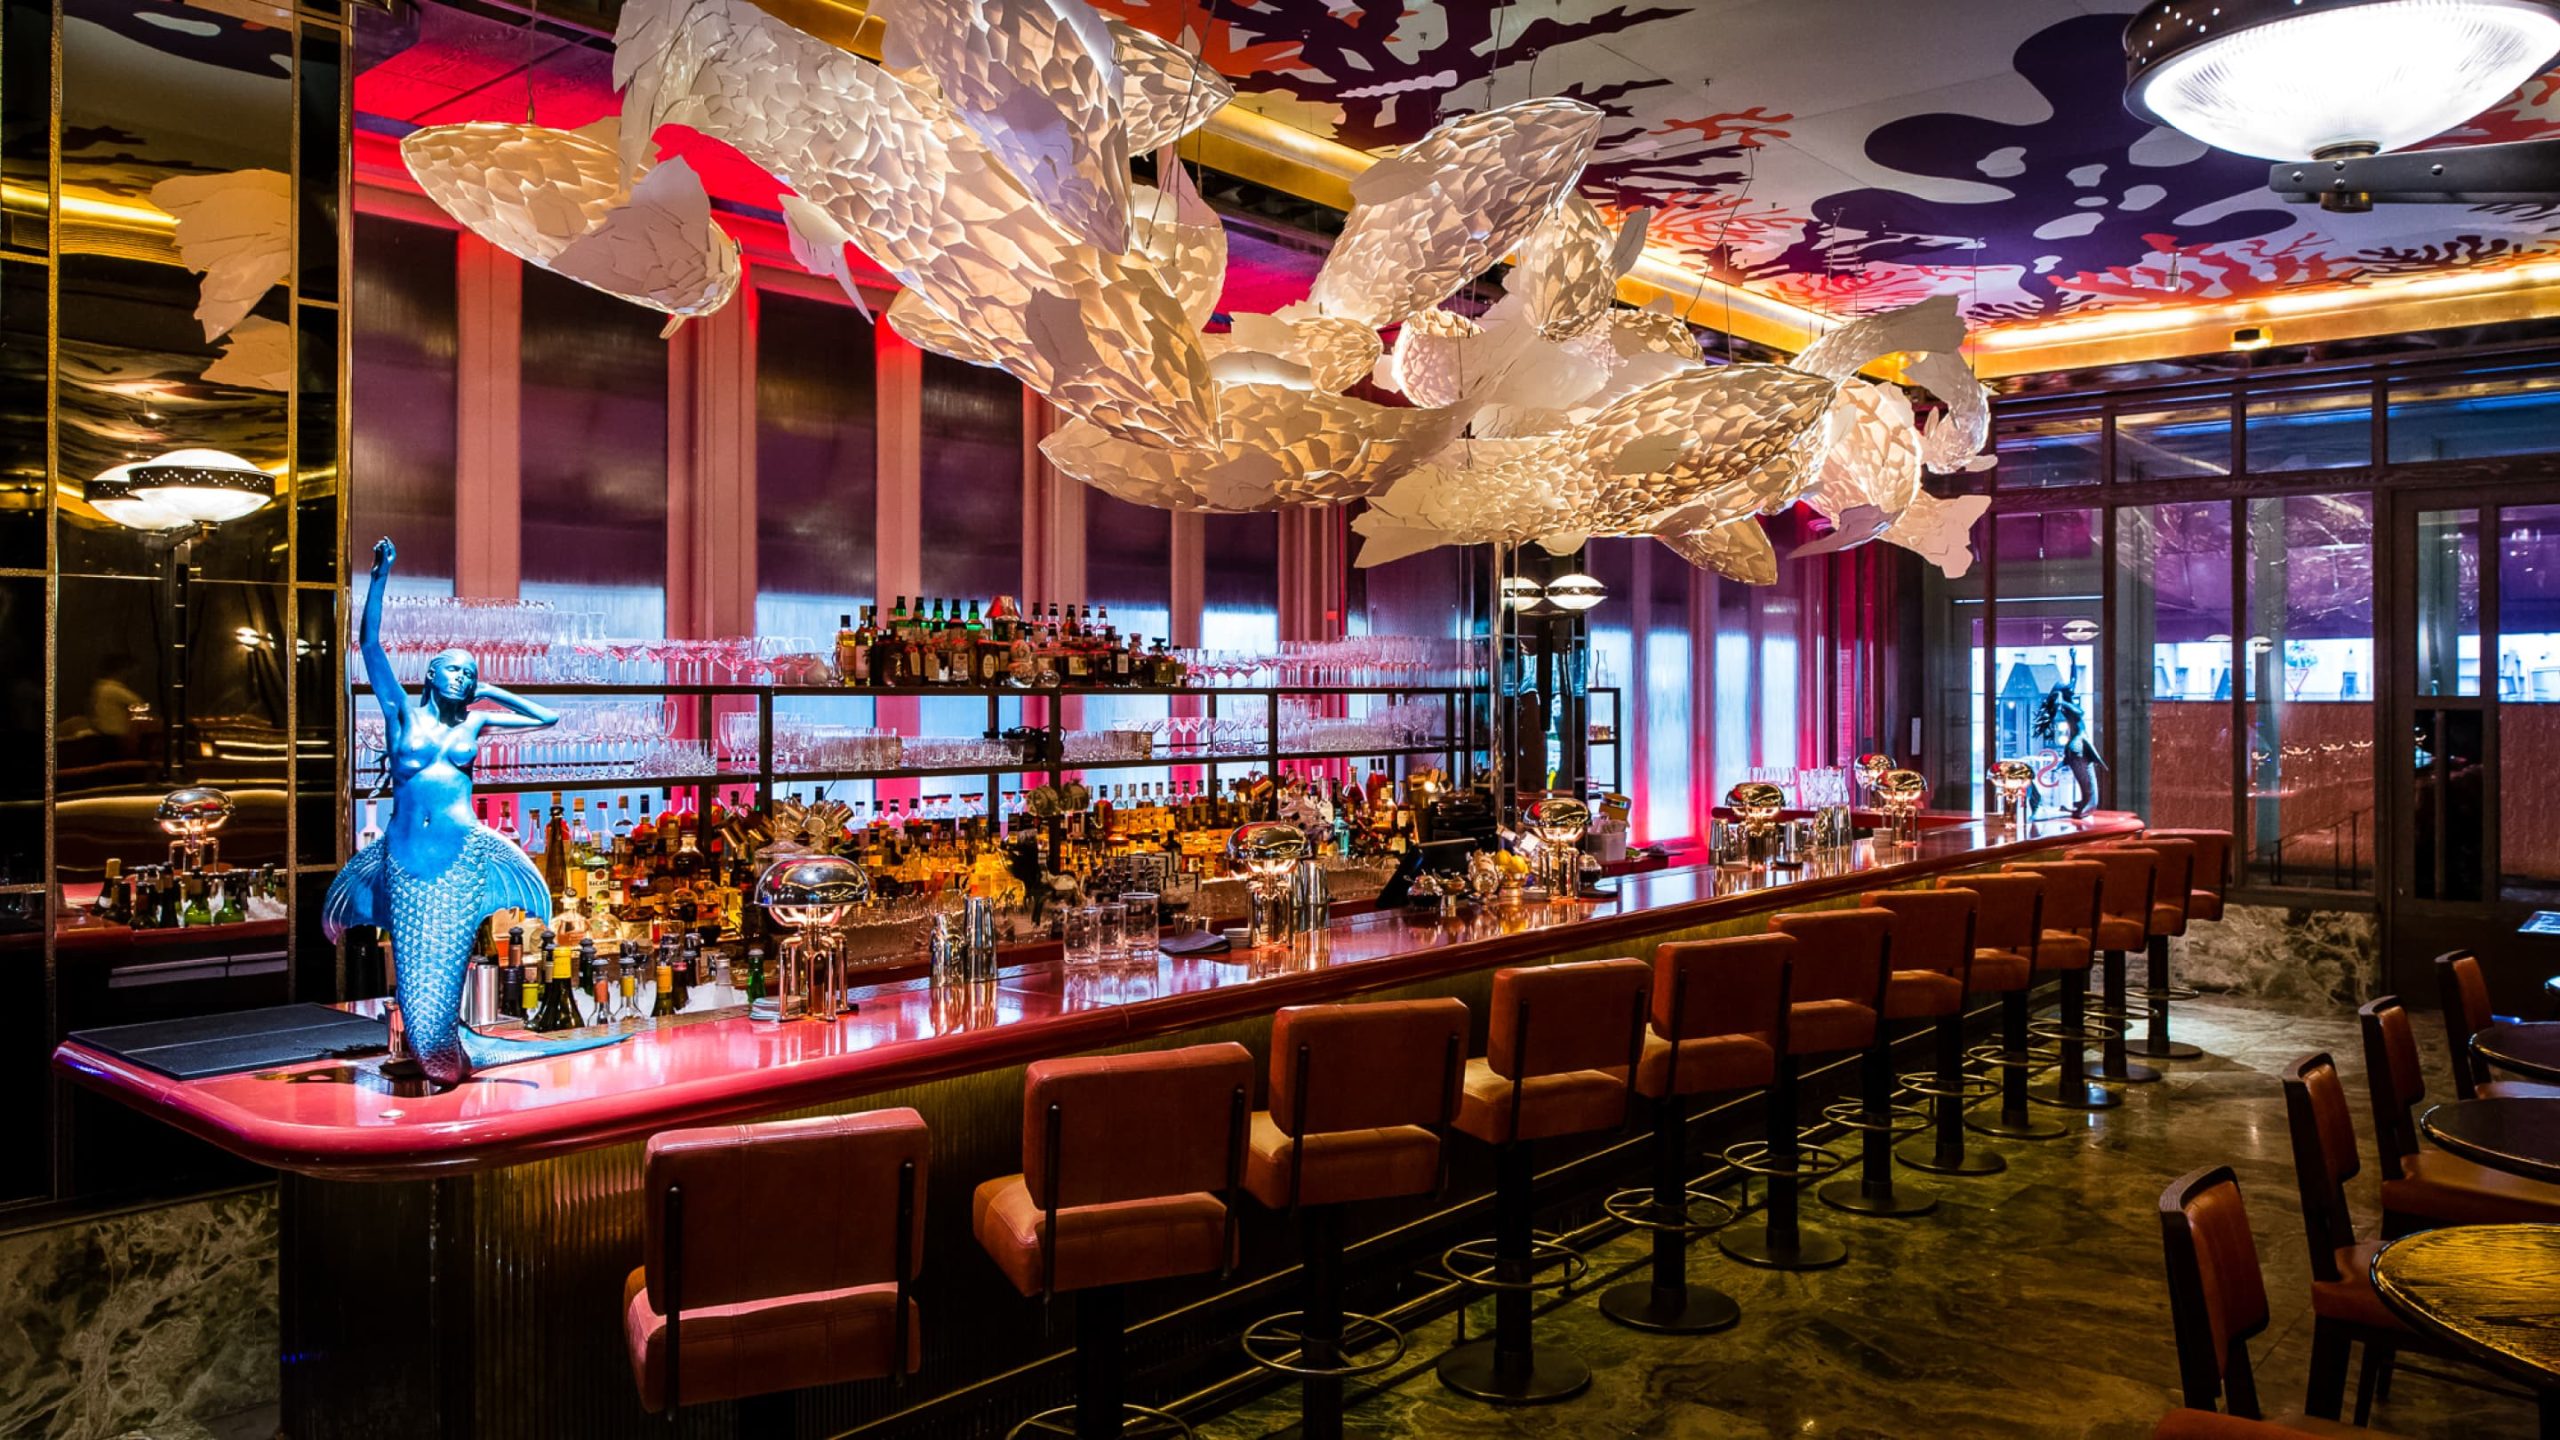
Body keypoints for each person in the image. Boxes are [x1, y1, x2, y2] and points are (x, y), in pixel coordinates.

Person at [323, 537, 624, 1086]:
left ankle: (454, 1046)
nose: (463, 678)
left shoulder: (475, 721)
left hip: (465, 854)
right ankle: (438, 1048)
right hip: (403, 855)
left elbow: (546, 719)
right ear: (430, 674)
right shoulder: (400, 715)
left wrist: (490, 690)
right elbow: (368, 644)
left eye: (470, 673)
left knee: (445, 984)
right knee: (418, 994)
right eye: (455, 670)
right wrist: (380, 577)